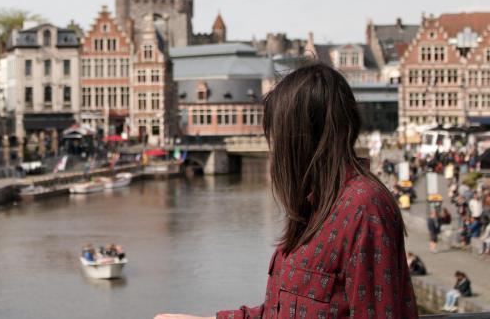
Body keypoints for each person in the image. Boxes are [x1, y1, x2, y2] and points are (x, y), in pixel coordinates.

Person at [154, 63, 418, 319]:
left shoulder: (364, 207)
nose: (273, 150)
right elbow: (279, 311)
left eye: (276, 138)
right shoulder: (313, 207)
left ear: (300, 139)